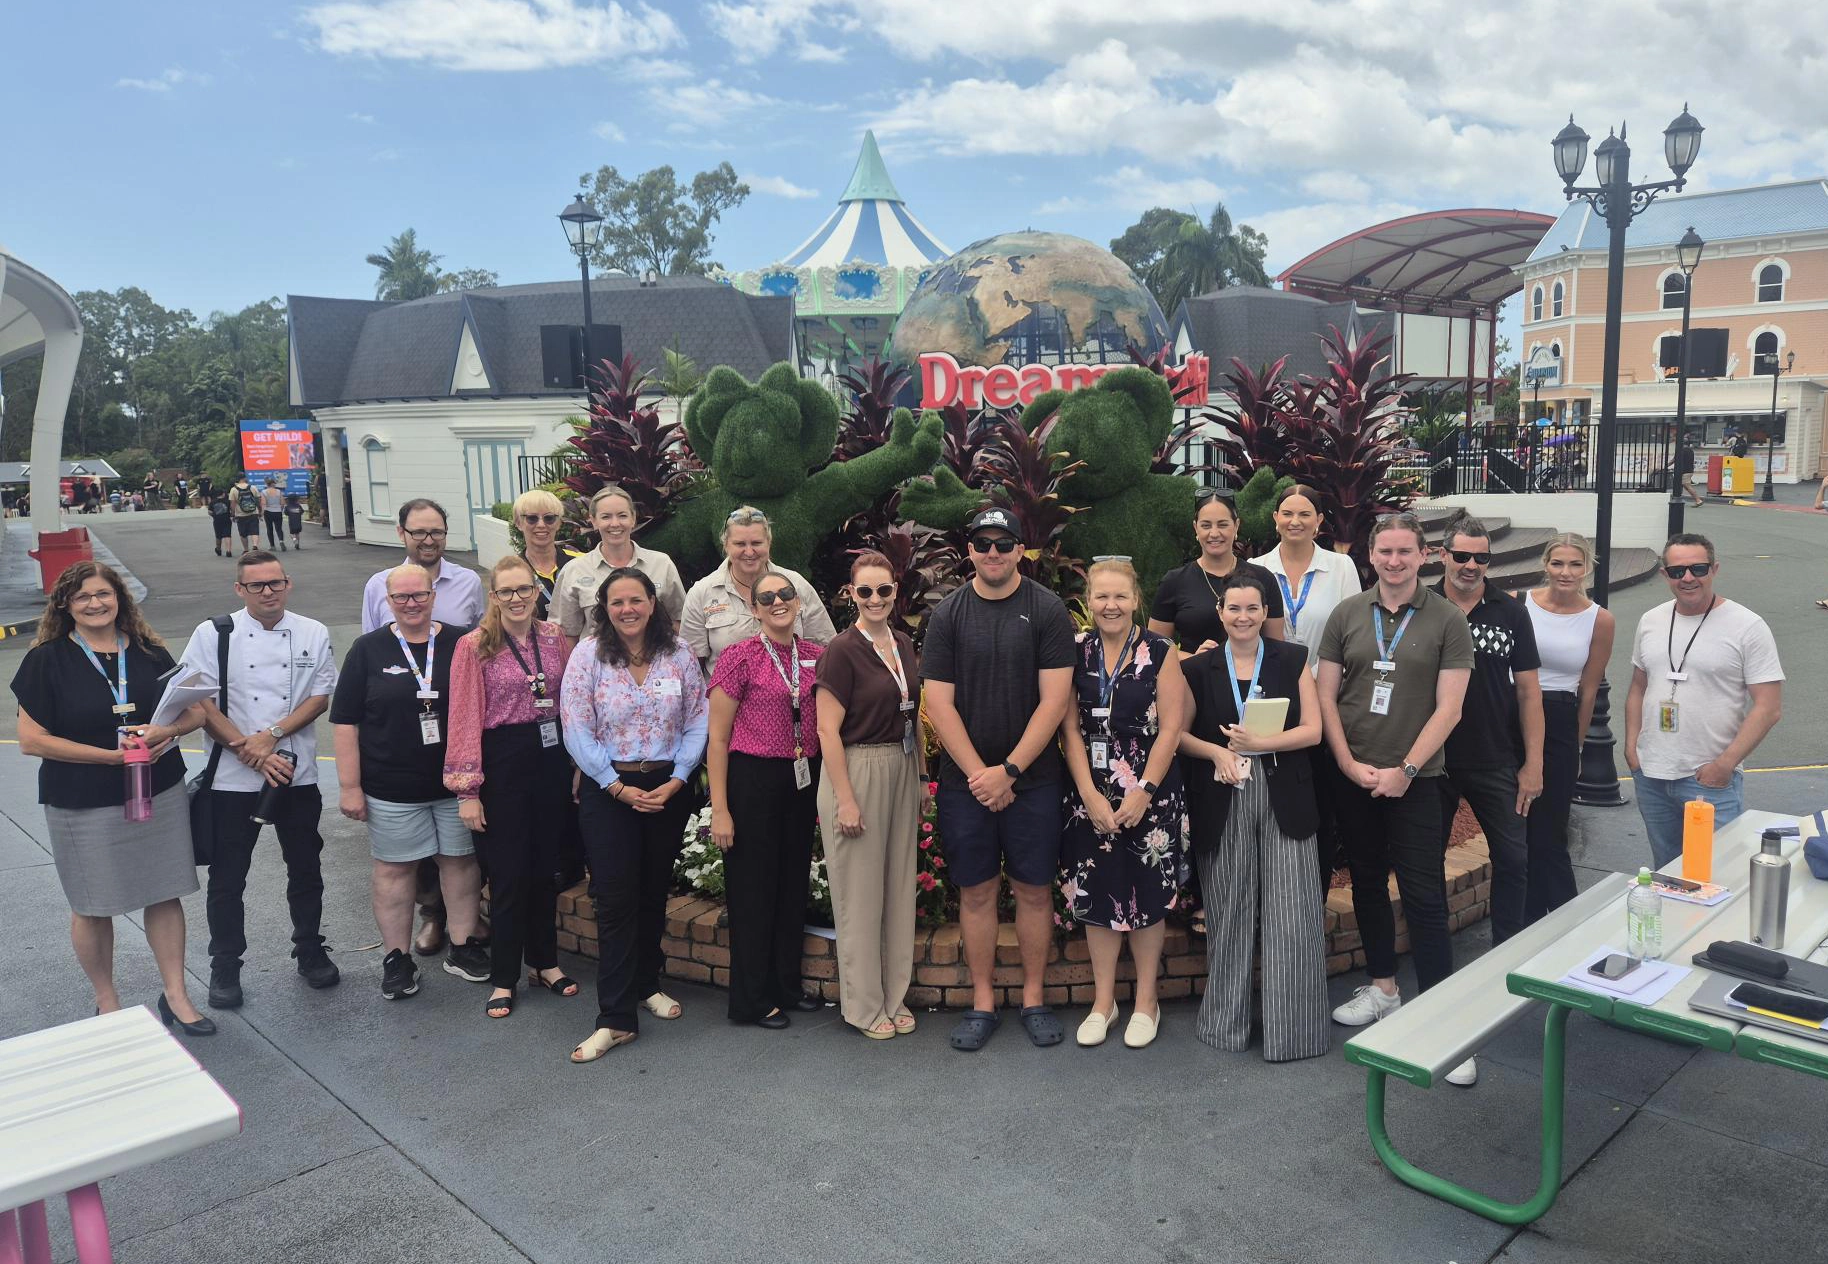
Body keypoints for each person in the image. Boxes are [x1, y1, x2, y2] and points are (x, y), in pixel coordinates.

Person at [9, 563, 214, 1035]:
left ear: (120, 598)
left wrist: (168, 729)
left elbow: (198, 711)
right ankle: (108, 1002)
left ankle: (176, 994)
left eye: (103, 594)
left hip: (157, 789)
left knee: (164, 892)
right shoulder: (47, 660)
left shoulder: (149, 651)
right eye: (82, 597)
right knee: (92, 904)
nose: (95, 603)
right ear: (65, 605)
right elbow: (32, 740)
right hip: (82, 800)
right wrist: (106, 758)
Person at [1316, 513, 1477, 1083]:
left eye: (1405, 551)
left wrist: (1406, 769)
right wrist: (1344, 762)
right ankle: (1383, 987)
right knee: (1364, 881)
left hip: (1416, 781)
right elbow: (1326, 696)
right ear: (1370, 553)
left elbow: (1450, 708)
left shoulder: (1447, 620)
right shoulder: (1347, 614)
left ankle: (1442, 1021)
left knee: (1424, 894)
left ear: (1424, 555)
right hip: (1355, 775)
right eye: (1385, 550)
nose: (1394, 560)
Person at [922, 507, 1077, 1052]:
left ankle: (1034, 998)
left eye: (1003, 543)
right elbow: (938, 704)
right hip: (967, 782)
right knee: (978, 890)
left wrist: (1009, 771)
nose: (993, 553)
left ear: (1020, 550)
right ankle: (983, 1002)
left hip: (1032, 780)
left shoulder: (1047, 608)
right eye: (982, 544)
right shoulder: (947, 615)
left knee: (1035, 891)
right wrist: (980, 776)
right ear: (969, 551)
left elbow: (1055, 701)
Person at [178, 551, 341, 1009]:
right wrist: (247, 749)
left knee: (306, 868)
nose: (267, 591)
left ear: (288, 584)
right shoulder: (213, 633)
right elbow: (200, 701)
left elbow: (320, 696)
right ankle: (225, 963)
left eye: (275, 583)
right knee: (228, 877)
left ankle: (309, 949)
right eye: (256, 585)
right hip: (232, 774)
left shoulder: (313, 630)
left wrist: (270, 737)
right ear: (240, 590)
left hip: (296, 770)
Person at [1179, 572, 1329, 1061]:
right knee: (1228, 911)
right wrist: (1218, 754)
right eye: (1234, 609)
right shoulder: (1199, 668)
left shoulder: (1293, 658)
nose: (1243, 618)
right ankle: (1225, 1024)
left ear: (1266, 613)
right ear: (1220, 613)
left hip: (1286, 792)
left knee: (1294, 916)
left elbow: (1313, 731)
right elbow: (1178, 735)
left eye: (1252, 609)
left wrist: (1260, 744)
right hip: (1223, 792)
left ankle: (1296, 1033)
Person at [560, 566, 706, 1062]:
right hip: (610, 790)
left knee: (651, 892)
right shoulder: (588, 656)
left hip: (667, 788)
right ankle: (615, 1018)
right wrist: (616, 787)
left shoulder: (678, 654)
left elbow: (697, 718)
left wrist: (679, 777)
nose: (627, 609)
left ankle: (647, 983)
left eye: (636, 600)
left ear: (652, 602)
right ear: (605, 607)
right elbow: (576, 727)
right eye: (617, 601)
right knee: (617, 900)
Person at [331, 563, 485, 1001]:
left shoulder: (462, 643)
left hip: (457, 785)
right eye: (401, 598)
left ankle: (463, 946)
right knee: (395, 871)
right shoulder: (367, 650)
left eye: (419, 595)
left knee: (459, 863)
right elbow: (345, 722)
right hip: (390, 787)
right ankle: (396, 959)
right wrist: (349, 786)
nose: (411, 604)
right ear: (388, 602)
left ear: (433, 595)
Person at [1059, 558, 1186, 1050]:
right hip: (1089, 792)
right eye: (1101, 596)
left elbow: (1172, 727)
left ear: (1137, 599)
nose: (1110, 605)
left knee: (1147, 894)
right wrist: (1089, 794)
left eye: (1120, 596)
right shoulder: (1073, 651)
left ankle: (1147, 1000)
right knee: (1095, 891)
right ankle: (1103, 1001)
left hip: (1149, 792)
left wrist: (1144, 790)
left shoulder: (1161, 650)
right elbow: (1069, 727)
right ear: (1088, 600)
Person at [443, 556, 578, 1018]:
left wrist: (576, 763)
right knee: (508, 876)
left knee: (545, 870)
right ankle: (504, 977)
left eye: (525, 590)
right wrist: (468, 790)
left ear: (537, 593)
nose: (518, 599)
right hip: (501, 764)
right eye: (507, 592)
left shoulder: (554, 637)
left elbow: (567, 702)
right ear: (493, 597)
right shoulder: (474, 645)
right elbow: (462, 716)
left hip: (551, 759)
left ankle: (545, 963)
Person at [813, 552, 927, 1040]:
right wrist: (846, 799)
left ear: (895, 592)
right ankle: (862, 1005)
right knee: (860, 896)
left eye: (884, 591)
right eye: (866, 592)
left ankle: (893, 995)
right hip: (857, 768)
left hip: (901, 765)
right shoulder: (841, 649)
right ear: (850, 594)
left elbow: (912, 714)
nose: (876, 599)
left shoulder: (902, 643)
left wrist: (921, 778)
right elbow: (826, 729)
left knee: (898, 890)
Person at [706, 569, 827, 1029]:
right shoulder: (739, 658)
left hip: (801, 779)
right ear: (754, 609)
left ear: (798, 602)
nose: (778, 601)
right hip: (752, 780)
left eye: (786, 594)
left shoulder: (815, 655)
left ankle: (786, 987)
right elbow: (717, 739)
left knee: (791, 884)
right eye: (767, 597)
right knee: (754, 891)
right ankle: (751, 1000)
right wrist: (721, 809)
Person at [1624, 533, 1784, 867]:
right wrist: (1631, 747)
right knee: (1667, 873)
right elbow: (1638, 686)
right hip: (1652, 773)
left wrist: (1725, 764)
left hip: (1709, 778)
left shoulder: (1747, 626)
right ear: (1664, 574)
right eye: (1677, 570)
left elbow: (1768, 708)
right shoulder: (1651, 620)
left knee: (1716, 874)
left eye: (1698, 568)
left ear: (1714, 569)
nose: (1688, 578)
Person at [1431, 513, 1542, 946]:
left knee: (1513, 859)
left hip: (1495, 757)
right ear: (1444, 555)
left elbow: (1530, 694)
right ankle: (1435, 954)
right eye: (1461, 555)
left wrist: (1533, 764)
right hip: (1432, 761)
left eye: (1481, 558)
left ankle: (1506, 952)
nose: (1470, 566)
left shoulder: (1511, 612)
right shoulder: (1422, 608)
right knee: (1426, 862)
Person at [1254, 482, 1365, 898]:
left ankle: (1311, 901)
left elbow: (1353, 632)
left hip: (1325, 699)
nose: (1295, 521)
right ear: (1275, 519)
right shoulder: (1255, 568)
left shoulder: (1341, 568)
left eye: (1305, 514)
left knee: (1318, 805)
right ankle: (1270, 897)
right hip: (1269, 705)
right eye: (1287, 513)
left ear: (1320, 521)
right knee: (1272, 804)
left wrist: (1314, 678)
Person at [1524, 534, 1614, 920]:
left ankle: (1565, 921)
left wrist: (1576, 748)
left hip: (1561, 719)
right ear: (1545, 564)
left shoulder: (1600, 619)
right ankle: (1524, 920)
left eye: (1575, 564)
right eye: (1558, 563)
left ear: (1587, 568)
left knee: (1551, 831)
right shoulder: (1521, 604)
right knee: (1519, 829)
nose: (1565, 572)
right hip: (1517, 714)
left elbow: (1589, 690)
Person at [681, 506, 836, 674]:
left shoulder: (796, 585)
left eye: (756, 543)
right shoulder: (702, 593)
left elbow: (825, 649)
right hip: (726, 698)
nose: (749, 552)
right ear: (725, 545)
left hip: (793, 695)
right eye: (740, 544)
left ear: (769, 542)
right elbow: (691, 665)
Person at [1147, 489, 1285, 655]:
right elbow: (1154, 648)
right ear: (1195, 528)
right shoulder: (1174, 581)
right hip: (1192, 679)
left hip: (1253, 679)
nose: (1214, 533)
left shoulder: (1263, 578)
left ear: (1236, 526)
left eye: (1222, 524)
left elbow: (1277, 649)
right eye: (1206, 525)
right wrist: (1195, 660)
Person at [550, 484, 686, 637]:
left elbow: (679, 622)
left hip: (653, 658)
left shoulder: (661, 564)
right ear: (593, 521)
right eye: (606, 516)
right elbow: (566, 635)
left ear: (633, 518)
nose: (615, 523)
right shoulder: (574, 571)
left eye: (622, 515)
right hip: (596, 660)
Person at [360, 498, 485, 635]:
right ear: (401, 533)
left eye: (437, 532)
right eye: (419, 533)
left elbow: (478, 644)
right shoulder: (378, 586)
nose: (429, 541)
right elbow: (370, 648)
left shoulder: (469, 582)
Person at [509, 488, 582, 622]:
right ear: (519, 523)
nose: (541, 525)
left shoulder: (581, 562)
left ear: (559, 523)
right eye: (532, 518)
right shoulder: (510, 571)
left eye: (549, 518)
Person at [231, 475, 262, 554]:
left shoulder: (233, 489)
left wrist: (233, 514)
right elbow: (258, 500)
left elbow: (232, 504)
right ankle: (255, 545)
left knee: (243, 533)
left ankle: (246, 549)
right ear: (244, 479)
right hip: (253, 513)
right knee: (255, 531)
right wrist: (260, 510)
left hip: (240, 514)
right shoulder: (253, 487)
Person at [260, 477, 287, 550]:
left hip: (268, 511)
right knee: (279, 528)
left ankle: (272, 546)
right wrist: (280, 510)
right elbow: (282, 503)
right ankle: (281, 541)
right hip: (277, 511)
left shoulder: (264, 492)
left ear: (267, 484)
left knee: (269, 529)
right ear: (273, 484)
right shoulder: (278, 491)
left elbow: (263, 503)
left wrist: (262, 513)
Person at [209, 489, 234, 557]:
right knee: (227, 535)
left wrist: (214, 516)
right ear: (223, 494)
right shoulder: (227, 501)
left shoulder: (212, 502)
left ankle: (218, 549)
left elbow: (210, 512)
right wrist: (232, 515)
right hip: (226, 519)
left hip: (217, 520)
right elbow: (232, 509)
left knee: (218, 536)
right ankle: (228, 551)